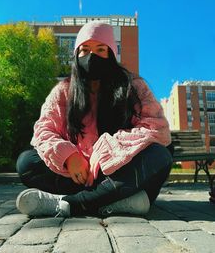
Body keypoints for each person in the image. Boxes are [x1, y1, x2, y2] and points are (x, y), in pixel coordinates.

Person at [16, 21, 172, 217]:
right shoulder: (63, 91)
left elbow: (156, 128)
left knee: (160, 155)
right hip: (78, 174)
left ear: (111, 54)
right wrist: (69, 156)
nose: (92, 56)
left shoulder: (133, 86)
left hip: (118, 172)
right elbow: (43, 131)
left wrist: (108, 152)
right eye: (85, 49)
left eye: (100, 49)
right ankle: (116, 202)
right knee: (27, 163)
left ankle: (71, 204)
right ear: (76, 54)